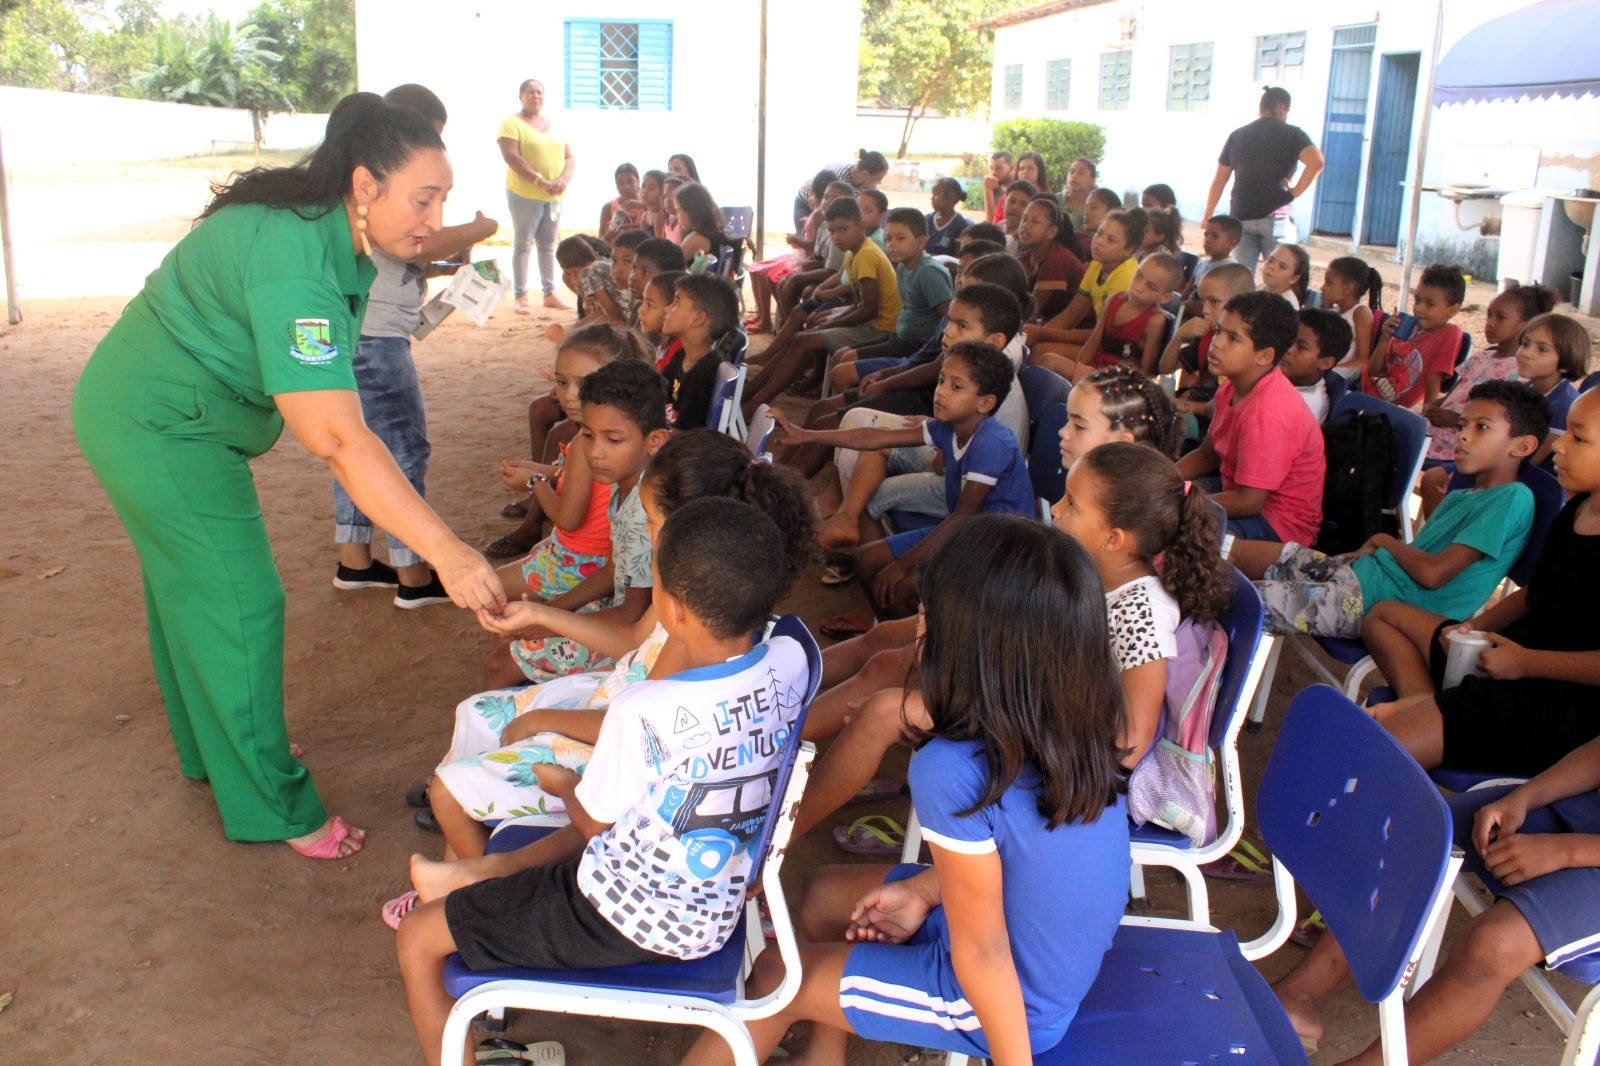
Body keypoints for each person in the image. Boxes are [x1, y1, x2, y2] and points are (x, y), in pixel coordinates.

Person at [70, 93, 505, 858]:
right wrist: (450, 552)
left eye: (442, 198)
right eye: (424, 197)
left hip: (158, 414)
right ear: (365, 184)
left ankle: (223, 753)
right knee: (240, 602)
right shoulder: (296, 264)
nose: (436, 216)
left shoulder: (324, 230)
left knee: (191, 591)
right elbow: (338, 438)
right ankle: (273, 803)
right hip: (162, 427)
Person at [670, 516, 1129, 1066]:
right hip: (1040, 948)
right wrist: (922, 893)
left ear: (952, 641)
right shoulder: (1072, 724)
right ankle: (824, 1057)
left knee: (774, 977)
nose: (918, 626)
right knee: (822, 897)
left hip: (1006, 1002)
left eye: (925, 614)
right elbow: (1033, 863)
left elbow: (983, 954)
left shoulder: (950, 769)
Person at [399, 499, 811, 1066]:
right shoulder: (793, 656)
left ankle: (474, 890)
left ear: (675, 608)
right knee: (630, 818)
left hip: (622, 915)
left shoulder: (643, 710)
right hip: (715, 906)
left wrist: (564, 784)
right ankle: (480, 874)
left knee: (418, 937)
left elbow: (595, 825)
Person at [1277, 395, 1600, 1062]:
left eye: (1580, 436)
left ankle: (1336, 921)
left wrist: (1565, 852)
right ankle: (1310, 986)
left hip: (1551, 710)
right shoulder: (1576, 512)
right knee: (1417, 818)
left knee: (1388, 762)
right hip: (1528, 700)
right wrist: (1480, 639)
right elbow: (1538, 599)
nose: (1560, 447)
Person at [395, 431, 815, 883]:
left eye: (651, 523)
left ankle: (482, 893)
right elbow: (635, 638)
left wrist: (544, 719)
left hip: (609, 737)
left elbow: (629, 723)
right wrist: (540, 614)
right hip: (611, 706)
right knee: (478, 715)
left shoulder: (690, 617)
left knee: (449, 791)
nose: (646, 533)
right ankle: (464, 857)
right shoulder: (703, 596)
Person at [331, 83, 499, 608]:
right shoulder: (372, 187)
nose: (431, 213)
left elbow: (403, 250)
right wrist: (478, 227)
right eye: (425, 198)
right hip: (375, 340)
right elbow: (414, 241)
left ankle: (354, 561)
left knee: (356, 446)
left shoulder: (353, 187)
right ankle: (413, 574)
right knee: (403, 451)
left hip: (362, 332)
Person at [1231, 380, 1543, 640]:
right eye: (1463, 425)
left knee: (1229, 599)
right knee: (1231, 552)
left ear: (1523, 446)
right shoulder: (1464, 496)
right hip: (1362, 575)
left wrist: (1383, 540)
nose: (1463, 434)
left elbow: (1433, 574)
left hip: (1377, 603)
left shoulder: (1513, 498)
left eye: (1482, 427)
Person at [773, 341, 1033, 617]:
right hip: (968, 532)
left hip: (999, 547)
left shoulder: (991, 443)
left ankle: (919, 651)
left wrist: (901, 567)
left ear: (986, 402)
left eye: (956, 387)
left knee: (898, 586)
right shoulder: (950, 427)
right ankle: (894, 634)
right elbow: (876, 437)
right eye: (942, 380)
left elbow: (962, 517)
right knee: (865, 561)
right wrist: (808, 435)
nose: (941, 392)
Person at [486, 360, 671, 688]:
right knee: (514, 629)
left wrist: (551, 621)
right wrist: (553, 611)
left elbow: (633, 616)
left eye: (613, 440)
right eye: (587, 435)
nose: (595, 453)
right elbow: (614, 572)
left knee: (501, 664)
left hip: (640, 644)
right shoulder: (623, 482)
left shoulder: (646, 510)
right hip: (620, 612)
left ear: (654, 440)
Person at [1053, 441, 1232, 769]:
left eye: (1071, 504)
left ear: (1113, 538)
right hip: (1065, 723)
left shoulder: (1142, 616)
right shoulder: (1096, 570)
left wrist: (1075, 784)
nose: (1054, 509)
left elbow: (1132, 741)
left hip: (1087, 766)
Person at [810, 283, 1026, 553]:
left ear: (995, 341)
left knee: (867, 492)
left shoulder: (991, 389)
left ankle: (867, 553)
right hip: (954, 461)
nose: (947, 331)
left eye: (962, 326)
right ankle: (848, 521)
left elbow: (944, 467)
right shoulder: (974, 362)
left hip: (964, 485)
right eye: (949, 321)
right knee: (862, 422)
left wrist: (935, 436)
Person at [490, 324, 642, 603]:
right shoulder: (623, 435)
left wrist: (533, 482)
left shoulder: (586, 443)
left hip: (581, 563)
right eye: (562, 382)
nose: (570, 395)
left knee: (490, 591)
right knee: (538, 549)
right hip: (603, 561)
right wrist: (541, 470)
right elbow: (585, 482)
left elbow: (567, 519)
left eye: (584, 384)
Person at [1177, 291, 1325, 544]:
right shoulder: (1232, 386)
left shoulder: (1268, 414)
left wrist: (1180, 505)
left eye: (1233, 338)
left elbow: (1250, 502)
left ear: (1265, 356)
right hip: (1235, 495)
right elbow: (1207, 455)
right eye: (1219, 330)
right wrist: (1160, 479)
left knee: (1170, 531)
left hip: (1277, 526)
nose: (1217, 343)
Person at [741, 196, 900, 414]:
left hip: (879, 329)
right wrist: (833, 321)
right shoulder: (854, 253)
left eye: (843, 229)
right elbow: (860, 300)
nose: (837, 237)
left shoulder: (866, 256)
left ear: (861, 226)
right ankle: (752, 393)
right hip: (870, 322)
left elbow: (869, 309)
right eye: (833, 231)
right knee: (800, 338)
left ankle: (755, 402)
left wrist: (835, 322)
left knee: (803, 341)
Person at [1421, 283, 1555, 473]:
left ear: (1525, 325)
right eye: (1489, 315)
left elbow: (1502, 425)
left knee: (1392, 439)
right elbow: (1451, 397)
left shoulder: (1520, 372)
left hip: (1462, 440)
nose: (1490, 323)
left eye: (1500, 317)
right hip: (1436, 428)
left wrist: (1457, 420)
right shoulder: (1481, 358)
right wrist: (1434, 406)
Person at [825, 207, 954, 395]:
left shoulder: (928, 273)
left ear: (921, 241)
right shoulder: (902, 267)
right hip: (900, 336)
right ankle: (849, 401)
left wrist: (930, 355)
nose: (891, 244)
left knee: (844, 367)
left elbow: (949, 316)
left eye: (900, 238)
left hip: (918, 344)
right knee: (841, 355)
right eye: (888, 238)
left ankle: (856, 407)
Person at [1203, 86, 1326, 275]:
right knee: (1280, 277)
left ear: (1261, 108)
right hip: (1276, 214)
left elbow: (1219, 180)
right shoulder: (1292, 134)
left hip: (1241, 215)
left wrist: (1208, 214)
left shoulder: (1238, 135)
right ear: (1282, 108)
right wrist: (1294, 192)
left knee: (1241, 277)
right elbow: (1316, 162)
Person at [1026, 207, 1144, 366]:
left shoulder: (1125, 277)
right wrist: (1040, 334)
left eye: (1111, 239)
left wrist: (1042, 333)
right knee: (1032, 343)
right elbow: (1070, 316)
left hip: (1118, 352)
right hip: (1099, 342)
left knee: (1041, 353)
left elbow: (1103, 335)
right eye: (1100, 233)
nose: (1099, 241)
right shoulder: (1096, 266)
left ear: (1128, 250)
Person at [497, 78, 573, 313]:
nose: (535, 96)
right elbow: (512, 157)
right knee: (523, 244)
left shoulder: (553, 125)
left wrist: (562, 180)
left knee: (548, 244)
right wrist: (539, 180)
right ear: (521, 96)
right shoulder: (511, 123)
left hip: (553, 196)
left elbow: (569, 157)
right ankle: (521, 296)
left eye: (539, 92)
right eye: (530, 92)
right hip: (525, 194)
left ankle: (550, 292)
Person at [1046, 253, 1183, 380]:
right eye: (1138, 276)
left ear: (1166, 297)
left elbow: (1146, 371)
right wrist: (1077, 371)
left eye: (1150, 286)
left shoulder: (1155, 321)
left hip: (1119, 382)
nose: (1139, 287)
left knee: (1050, 361)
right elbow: (1094, 343)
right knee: (1048, 361)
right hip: (1095, 371)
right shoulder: (1114, 300)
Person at [1161, 262, 1256, 438]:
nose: (1205, 310)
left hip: (1213, 425)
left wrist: (1186, 406)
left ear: (1242, 301)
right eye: (1202, 301)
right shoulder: (1208, 336)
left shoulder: (1247, 349)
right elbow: (1166, 368)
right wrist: (1179, 336)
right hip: (1193, 411)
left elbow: (1228, 405)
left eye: (1214, 301)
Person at [1364, 263, 1466, 409]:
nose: (1419, 309)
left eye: (1430, 304)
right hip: (1368, 392)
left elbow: (1433, 379)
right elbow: (1374, 371)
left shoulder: (1449, 333)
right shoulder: (1408, 330)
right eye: (1417, 300)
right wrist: (1384, 339)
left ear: (1452, 310)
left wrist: (1427, 416)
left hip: (1388, 408)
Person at [660, 274, 744, 428]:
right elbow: (656, 391)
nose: (667, 309)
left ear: (698, 319)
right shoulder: (681, 357)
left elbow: (683, 434)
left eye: (676, 302)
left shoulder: (704, 374)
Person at [1516, 311, 1592, 469]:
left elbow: (1531, 462)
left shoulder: (1564, 405)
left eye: (1542, 349)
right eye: (1525, 344)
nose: (1526, 353)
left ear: (1566, 363)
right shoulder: (1524, 390)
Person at [1016, 195, 1085, 322]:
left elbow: (1032, 312)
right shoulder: (1026, 257)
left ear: (1051, 232)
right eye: (1024, 219)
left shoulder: (1057, 259)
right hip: (1046, 324)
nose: (1025, 225)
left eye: (1035, 221)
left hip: (1071, 328)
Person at [1278, 307, 1351, 424]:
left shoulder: (1305, 406)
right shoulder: (1282, 376)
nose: (1288, 349)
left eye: (1301, 347)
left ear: (1325, 363)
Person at [1319, 255, 1384, 374]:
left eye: (1329, 283)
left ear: (1348, 288)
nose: (1322, 288)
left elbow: (1363, 359)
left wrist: (1330, 369)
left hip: (1338, 374)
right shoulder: (1332, 313)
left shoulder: (1360, 312)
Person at [792, 150, 890, 227]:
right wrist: (813, 218)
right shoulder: (838, 177)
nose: (879, 182)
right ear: (865, 174)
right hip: (809, 203)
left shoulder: (869, 185)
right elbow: (824, 201)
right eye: (878, 179)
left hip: (828, 208)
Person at [671, 181, 737, 266]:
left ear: (691, 210)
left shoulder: (699, 240)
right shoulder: (711, 233)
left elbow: (670, 266)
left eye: (678, 210)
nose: (676, 216)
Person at [1188, 214, 1242, 296]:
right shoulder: (1201, 265)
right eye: (1206, 235)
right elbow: (1185, 294)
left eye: (1215, 236)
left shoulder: (1231, 271)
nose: (1207, 240)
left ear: (1231, 243)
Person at [924, 176, 970, 256]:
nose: (932, 198)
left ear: (951, 198)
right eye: (933, 194)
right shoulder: (926, 220)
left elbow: (956, 258)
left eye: (936, 194)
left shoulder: (961, 225)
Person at [598, 162, 645, 242]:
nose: (626, 186)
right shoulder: (609, 207)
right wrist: (608, 236)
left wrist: (642, 206)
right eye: (620, 182)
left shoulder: (649, 205)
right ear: (616, 185)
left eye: (630, 181)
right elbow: (599, 242)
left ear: (638, 181)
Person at [1260, 242, 1310, 308]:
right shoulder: (1257, 289)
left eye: (1282, 266)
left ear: (1293, 278)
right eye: (1270, 260)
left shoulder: (1288, 306)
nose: (1272, 267)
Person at [1060, 157, 1098, 231]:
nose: (1074, 176)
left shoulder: (1097, 207)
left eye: (1081, 173)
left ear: (1092, 180)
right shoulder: (1056, 201)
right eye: (1071, 172)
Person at [981, 149, 1015, 223]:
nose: (993, 173)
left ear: (1011, 168)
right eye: (991, 168)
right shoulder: (995, 187)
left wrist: (988, 189)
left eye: (999, 168)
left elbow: (992, 221)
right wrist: (988, 190)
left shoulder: (1017, 192)